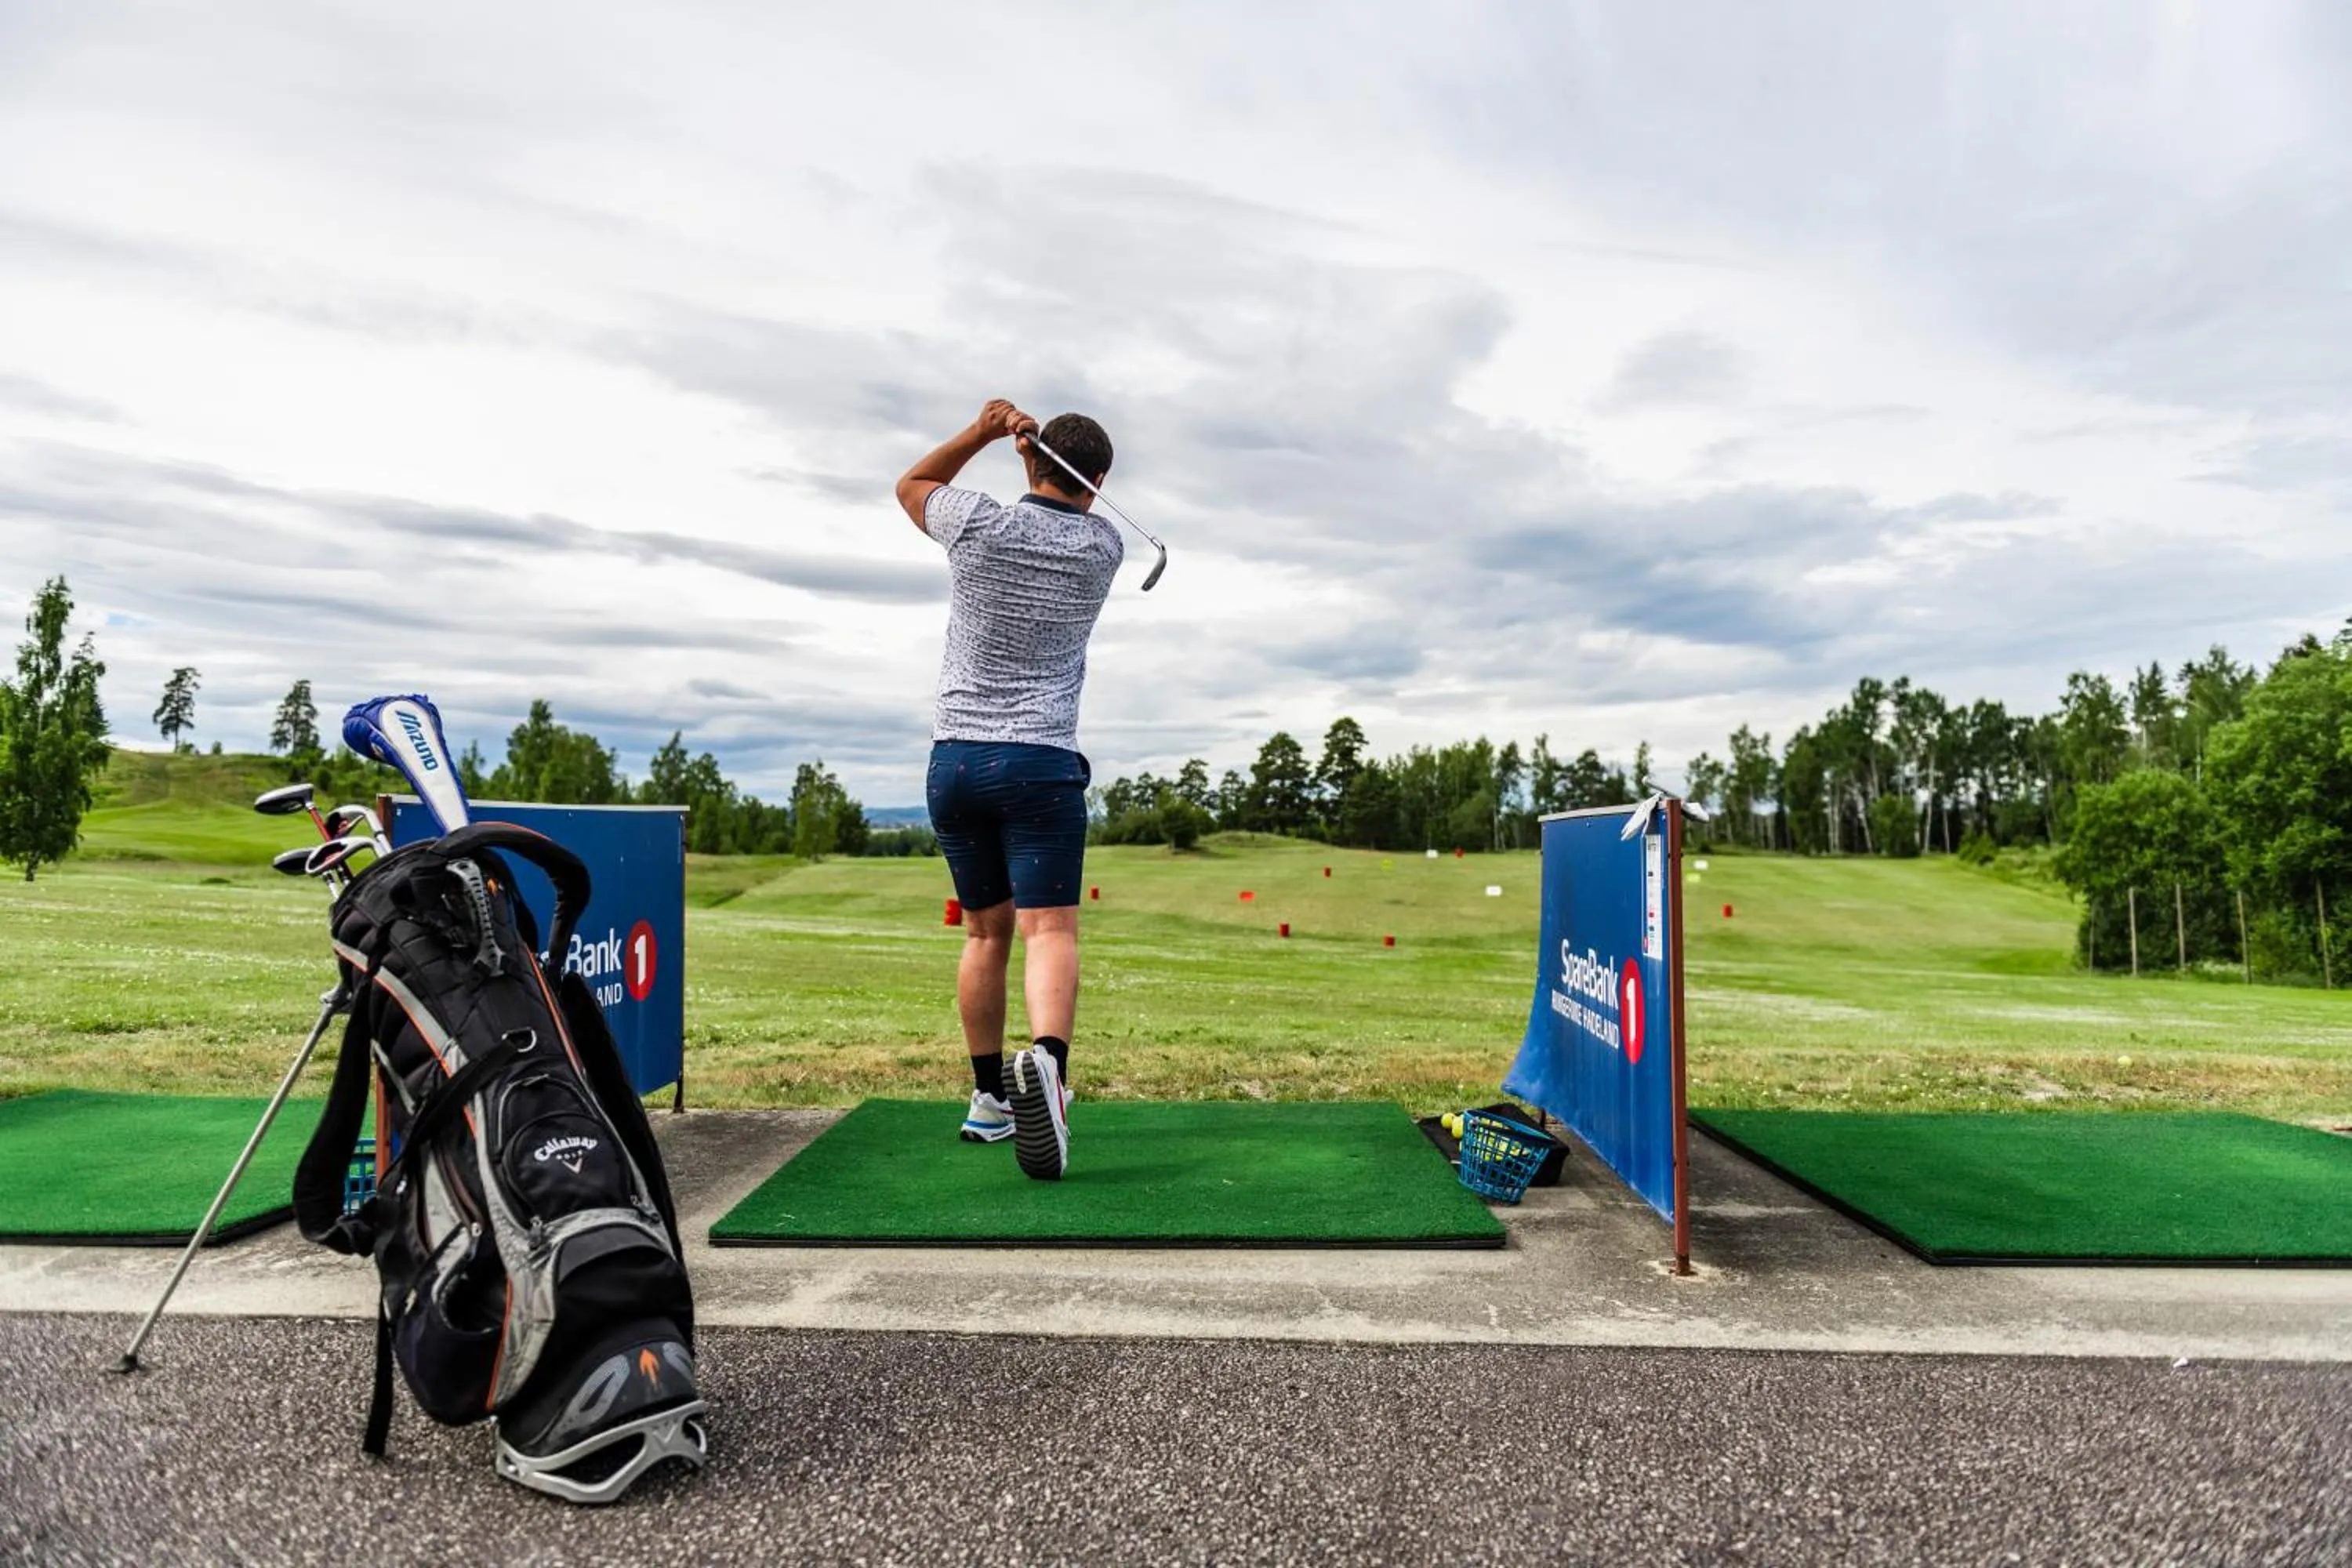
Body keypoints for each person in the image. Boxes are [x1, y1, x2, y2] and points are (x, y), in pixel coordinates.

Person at [895, 399, 1124, 1181]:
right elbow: (1066, 500)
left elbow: (913, 482)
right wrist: (1035, 457)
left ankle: (990, 1097)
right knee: (1049, 931)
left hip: (956, 763)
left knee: (984, 934)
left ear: (1029, 464)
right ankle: (1050, 1073)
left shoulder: (979, 523)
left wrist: (989, 434)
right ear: (1098, 481)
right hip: (1039, 763)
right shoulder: (1104, 545)